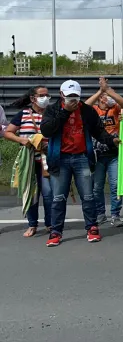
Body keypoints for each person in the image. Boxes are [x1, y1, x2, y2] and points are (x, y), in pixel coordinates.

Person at [41, 80, 120, 247]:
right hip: (59, 158)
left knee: (88, 195)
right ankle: (56, 231)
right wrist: (64, 113)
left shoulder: (86, 110)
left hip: (81, 157)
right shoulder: (52, 109)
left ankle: (92, 227)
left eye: (75, 96)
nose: (73, 100)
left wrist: (112, 140)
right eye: (69, 97)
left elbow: (98, 131)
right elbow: (47, 130)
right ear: (61, 95)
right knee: (58, 197)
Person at [3, 86, 52, 237]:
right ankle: (32, 224)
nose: (45, 98)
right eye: (42, 95)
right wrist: (21, 140)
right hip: (28, 161)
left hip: (46, 160)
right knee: (31, 193)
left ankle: (50, 224)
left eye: (47, 95)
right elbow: (7, 132)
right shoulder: (23, 114)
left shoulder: (52, 114)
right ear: (33, 98)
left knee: (49, 193)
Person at [84, 77, 123, 227]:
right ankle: (100, 213)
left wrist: (108, 89)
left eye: (112, 95)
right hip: (97, 154)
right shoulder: (94, 110)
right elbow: (84, 106)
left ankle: (115, 214)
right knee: (97, 186)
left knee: (116, 185)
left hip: (114, 153)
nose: (110, 97)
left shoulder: (116, 109)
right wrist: (100, 91)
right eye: (107, 96)